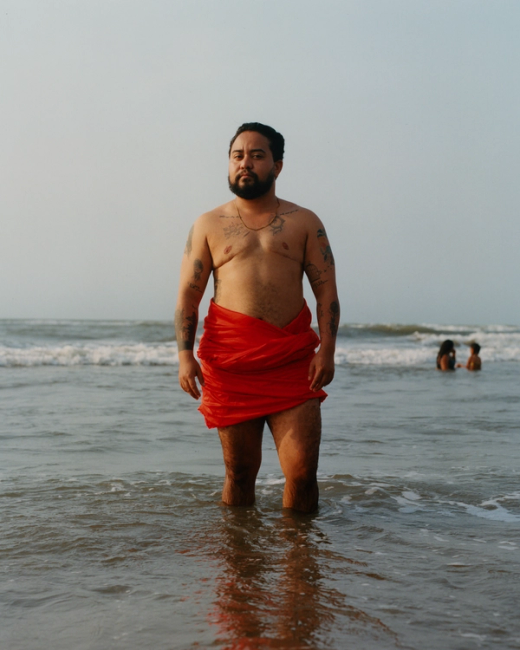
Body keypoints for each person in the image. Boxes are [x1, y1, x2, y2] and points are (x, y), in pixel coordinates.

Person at [174, 122, 339, 513]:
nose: (245, 163)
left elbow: (326, 292)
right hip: (230, 364)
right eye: (237, 156)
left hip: (292, 360)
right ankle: (241, 565)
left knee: (301, 475)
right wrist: (184, 355)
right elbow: (188, 295)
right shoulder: (208, 224)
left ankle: (299, 564)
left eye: (257, 155)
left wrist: (327, 350)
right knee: (241, 473)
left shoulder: (304, 221)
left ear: (277, 166)